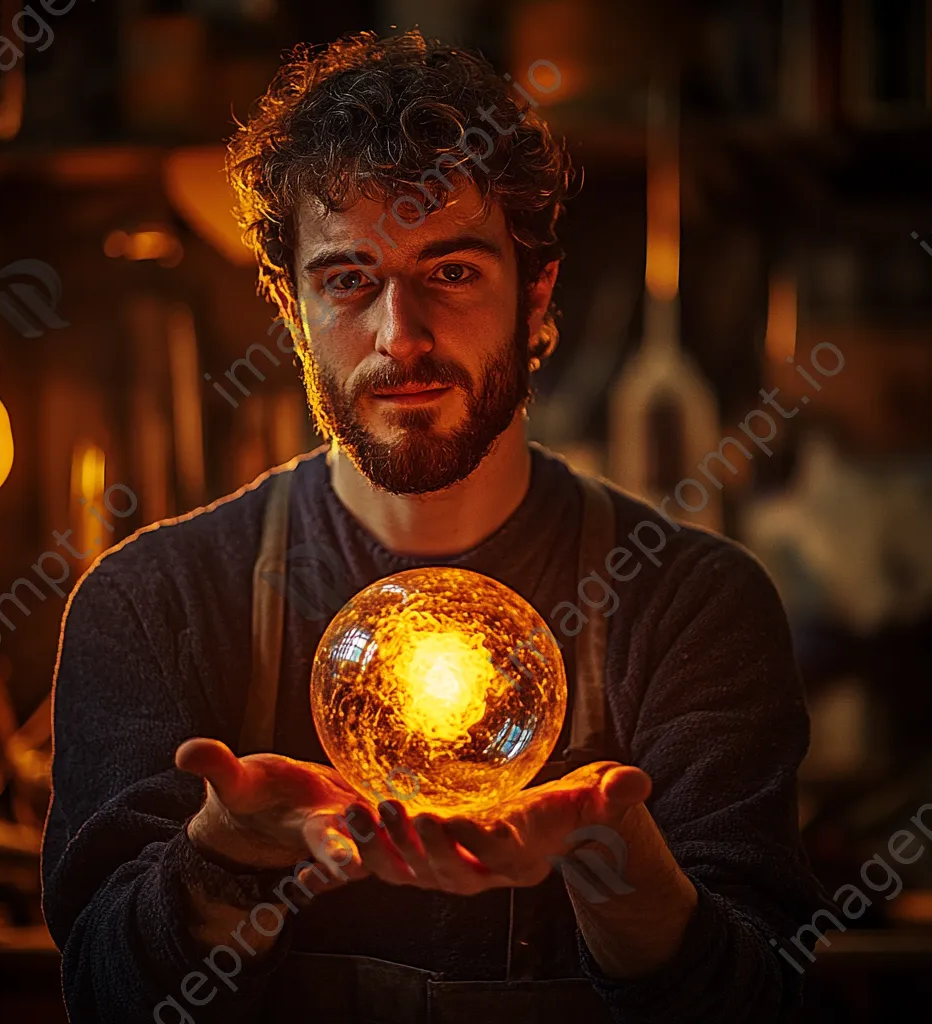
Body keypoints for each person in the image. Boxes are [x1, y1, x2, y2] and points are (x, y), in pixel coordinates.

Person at [41, 30, 831, 1024]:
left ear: (535, 295)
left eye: (450, 272)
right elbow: (104, 999)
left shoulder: (692, 606)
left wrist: (623, 875)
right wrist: (225, 857)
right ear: (289, 310)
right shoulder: (151, 602)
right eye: (347, 280)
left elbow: (765, 1006)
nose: (399, 335)